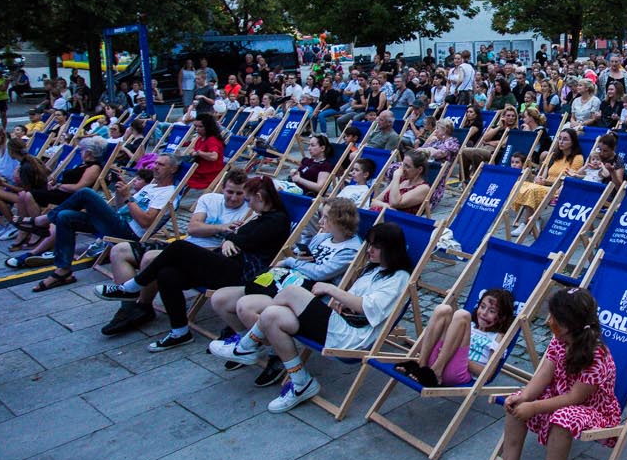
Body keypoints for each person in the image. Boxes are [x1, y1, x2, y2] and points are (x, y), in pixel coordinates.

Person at [224, 221, 414, 411]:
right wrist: (341, 301)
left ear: (391, 249)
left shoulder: (399, 278)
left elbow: (366, 306)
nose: (369, 250)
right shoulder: (374, 269)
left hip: (351, 337)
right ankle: (301, 382)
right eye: (369, 244)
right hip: (341, 323)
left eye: (376, 247)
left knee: (292, 292)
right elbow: (354, 298)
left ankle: (247, 345)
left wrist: (332, 290)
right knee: (273, 314)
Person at [95, 174, 289, 350]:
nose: (248, 204)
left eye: (249, 199)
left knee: (179, 247)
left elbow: (246, 240)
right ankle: (180, 332)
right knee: (167, 274)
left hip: (240, 272)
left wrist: (232, 238)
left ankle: (132, 287)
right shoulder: (263, 217)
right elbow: (238, 236)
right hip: (226, 264)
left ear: (260, 197)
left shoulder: (276, 220)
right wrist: (230, 238)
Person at [486, 287, 621, 460]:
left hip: (593, 409)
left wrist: (534, 407)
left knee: (563, 419)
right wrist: (524, 397)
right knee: (515, 404)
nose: (548, 321)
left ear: (569, 325)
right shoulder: (559, 341)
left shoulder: (596, 356)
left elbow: (574, 398)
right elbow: (544, 375)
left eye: (554, 318)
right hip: (559, 394)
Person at [209, 198, 365, 384]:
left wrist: (291, 261)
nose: (320, 221)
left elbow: (320, 273)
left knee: (246, 306)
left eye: (325, 217)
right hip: (285, 283)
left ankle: (274, 355)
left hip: (305, 296)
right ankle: (249, 347)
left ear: (340, 220)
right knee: (220, 298)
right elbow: (306, 258)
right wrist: (300, 255)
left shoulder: (351, 249)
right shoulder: (323, 237)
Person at [36, 153, 180, 291]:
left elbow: (146, 222)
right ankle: (63, 270)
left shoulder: (168, 193)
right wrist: (120, 192)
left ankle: (44, 221)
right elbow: (121, 208)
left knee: (86, 193)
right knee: (65, 216)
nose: (155, 167)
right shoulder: (150, 187)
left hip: (128, 232)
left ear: (173, 169)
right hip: (117, 222)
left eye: (161, 165)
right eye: (156, 163)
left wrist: (129, 197)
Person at [396, 287, 517, 388]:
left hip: (458, 372)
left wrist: (461, 359)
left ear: (502, 318)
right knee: (443, 309)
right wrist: (453, 300)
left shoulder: (498, 337)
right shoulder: (471, 325)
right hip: (434, 363)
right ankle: (421, 365)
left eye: (492, 311)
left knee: (463, 315)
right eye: (482, 306)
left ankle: (436, 372)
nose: (484, 313)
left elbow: (488, 375)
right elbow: (455, 320)